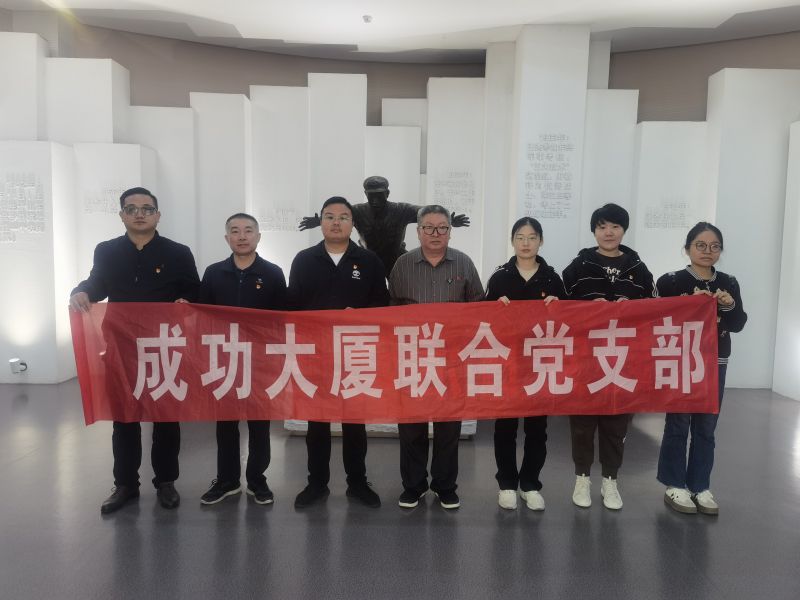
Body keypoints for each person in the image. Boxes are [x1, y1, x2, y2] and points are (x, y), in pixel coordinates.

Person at [69, 187, 200, 514]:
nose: (139, 214)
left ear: (158, 215)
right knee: (124, 417)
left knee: (166, 417)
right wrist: (81, 291)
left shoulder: (178, 252)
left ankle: (166, 482)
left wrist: (187, 301)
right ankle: (125, 484)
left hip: (164, 345)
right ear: (122, 215)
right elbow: (97, 284)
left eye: (146, 208)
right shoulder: (107, 251)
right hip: (121, 345)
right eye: (131, 209)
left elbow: (194, 291)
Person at [288, 196, 390, 508]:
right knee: (316, 423)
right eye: (329, 216)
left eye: (343, 217)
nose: (336, 222)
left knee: (354, 422)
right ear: (320, 222)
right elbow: (293, 305)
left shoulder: (369, 260)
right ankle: (316, 484)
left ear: (352, 223)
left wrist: (358, 315)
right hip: (316, 353)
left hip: (355, 352)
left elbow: (382, 304)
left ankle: (357, 483)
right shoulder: (304, 260)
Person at [389, 205, 485, 510]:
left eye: (442, 227)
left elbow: (479, 308)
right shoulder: (402, 265)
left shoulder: (464, 263)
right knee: (411, 427)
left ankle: (445, 487)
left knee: (448, 429)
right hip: (412, 358)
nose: (435, 233)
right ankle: (413, 486)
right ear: (418, 231)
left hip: (451, 361)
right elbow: (390, 311)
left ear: (450, 232)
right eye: (428, 227)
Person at [562, 203, 655, 510]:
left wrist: (631, 307)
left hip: (624, 360)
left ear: (624, 230)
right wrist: (588, 308)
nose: (609, 232)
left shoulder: (639, 269)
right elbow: (561, 310)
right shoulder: (577, 267)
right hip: (586, 359)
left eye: (615, 226)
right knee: (582, 422)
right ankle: (582, 479)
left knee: (616, 423)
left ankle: (610, 481)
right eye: (602, 227)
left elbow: (654, 310)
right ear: (594, 231)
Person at [656, 222, 747, 515]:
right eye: (700, 245)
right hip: (682, 360)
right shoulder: (670, 282)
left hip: (715, 362)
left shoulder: (729, 282)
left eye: (714, 246)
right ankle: (674, 484)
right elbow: (654, 319)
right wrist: (685, 305)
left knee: (707, 426)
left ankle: (700, 485)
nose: (708, 251)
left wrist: (728, 304)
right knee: (678, 422)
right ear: (687, 248)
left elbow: (738, 324)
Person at [197, 213, 287, 506]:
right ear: (227, 238)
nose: (242, 236)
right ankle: (227, 481)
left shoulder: (273, 273)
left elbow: (282, 320)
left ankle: (258, 480)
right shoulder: (213, 273)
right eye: (235, 231)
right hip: (224, 359)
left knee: (260, 425)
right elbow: (202, 316)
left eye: (248, 231)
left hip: (260, 362)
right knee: (225, 424)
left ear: (258, 237)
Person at [484, 217, 566, 511]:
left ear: (540, 241)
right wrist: (495, 307)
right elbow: (481, 317)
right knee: (505, 427)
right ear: (512, 241)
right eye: (520, 237)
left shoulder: (552, 278)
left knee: (537, 428)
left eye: (532, 237)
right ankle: (506, 483)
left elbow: (571, 320)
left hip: (540, 363)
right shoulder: (500, 277)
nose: (526, 243)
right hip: (508, 362)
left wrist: (559, 306)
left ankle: (530, 484)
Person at [299, 175, 470, 274]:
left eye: (379, 195)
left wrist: (447, 219)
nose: (375, 200)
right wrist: (320, 220)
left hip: (396, 259)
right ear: (365, 194)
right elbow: (338, 216)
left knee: (402, 293)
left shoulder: (401, 210)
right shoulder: (356, 211)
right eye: (371, 195)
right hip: (368, 260)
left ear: (387, 193)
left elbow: (426, 212)